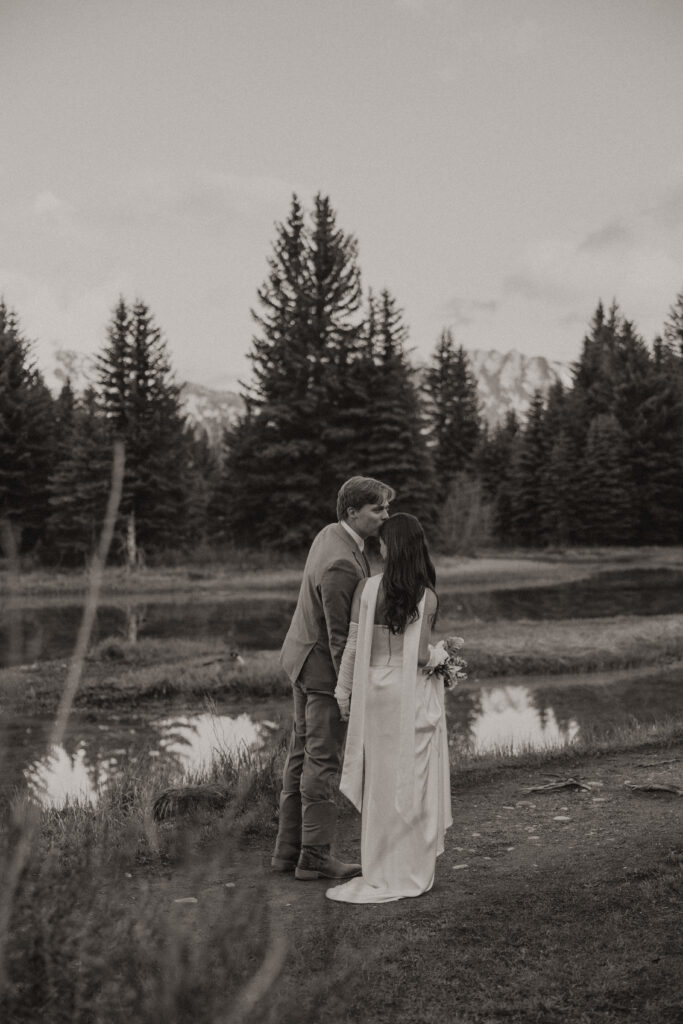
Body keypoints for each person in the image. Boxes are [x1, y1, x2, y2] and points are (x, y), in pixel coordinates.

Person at [271, 476, 394, 881]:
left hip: (301, 659)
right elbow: (342, 637)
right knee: (322, 761)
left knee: (300, 755)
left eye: (385, 508)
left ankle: (287, 852)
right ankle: (314, 856)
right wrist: (351, 693)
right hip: (322, 669)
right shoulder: (342, 561)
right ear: (352, 512)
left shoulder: (330, 535)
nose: (385, 515)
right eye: (377, 508)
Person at [326, 513, 452, 904]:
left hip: (375, 698)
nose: (378, 547)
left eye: (382, 542)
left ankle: (379, 867)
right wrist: (443, 656)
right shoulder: (424, 596)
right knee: (412, 780)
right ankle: (409, 868)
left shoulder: (366, 589)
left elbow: (352, 648)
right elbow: (417, 658)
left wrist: (344, 695)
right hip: (406, 698)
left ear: (390, 547)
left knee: (381, 783)